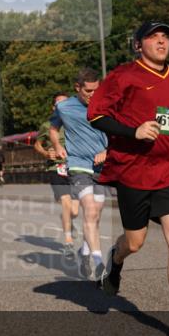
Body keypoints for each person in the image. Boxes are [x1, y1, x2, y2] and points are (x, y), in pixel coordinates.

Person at [88, 22, 169, 336]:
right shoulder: (123, 76)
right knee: (136, 242)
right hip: (134, 171)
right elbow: (96, 115)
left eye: (166, 36)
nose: (161, 41)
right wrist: (134, 132)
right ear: (138, 45)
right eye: (154, 36)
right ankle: (115, 260)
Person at [50, 68, 109, 280]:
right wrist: (57, 145)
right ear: (77, 88)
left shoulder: (106, 103)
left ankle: (84, 252)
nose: (93, 95)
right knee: (90, 209)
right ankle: (99, 262)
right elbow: (53, 128)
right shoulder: (64, 107)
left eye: (96, 90)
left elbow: (116, 131)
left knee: (96, 215)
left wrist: (106, 151)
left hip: (102, 167)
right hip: (79, 166)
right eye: (88, 91)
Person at [34, 93, 79, 257]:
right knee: (66, 204)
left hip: (75, 169)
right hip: (56, 169)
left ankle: (67, 220)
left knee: (74, 211)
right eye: (59, 103)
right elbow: (37, 145)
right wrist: (46, 153)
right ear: (54, 107)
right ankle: (68, 242)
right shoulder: (47, 125)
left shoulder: (76, 122)